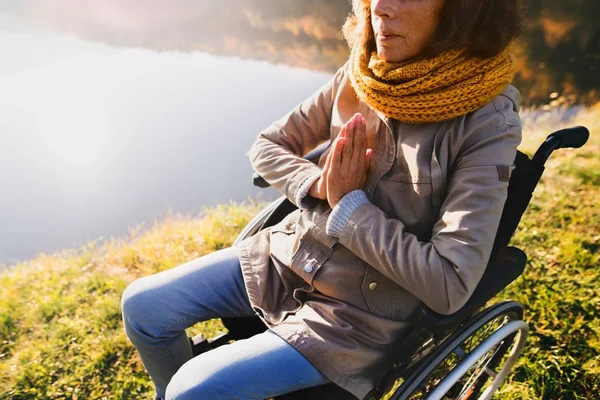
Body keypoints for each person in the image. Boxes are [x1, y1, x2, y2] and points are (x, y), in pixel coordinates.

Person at [121, 0, 524, 399]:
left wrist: (349, 206)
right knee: (143, 308)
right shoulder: (363, 73)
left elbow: (450, 282)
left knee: (193, 388)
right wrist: (318, 184)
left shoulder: (488, 121)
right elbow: (268, 145)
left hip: (356, 319)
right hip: (289, 256)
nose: (381, 7)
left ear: (461, 9)